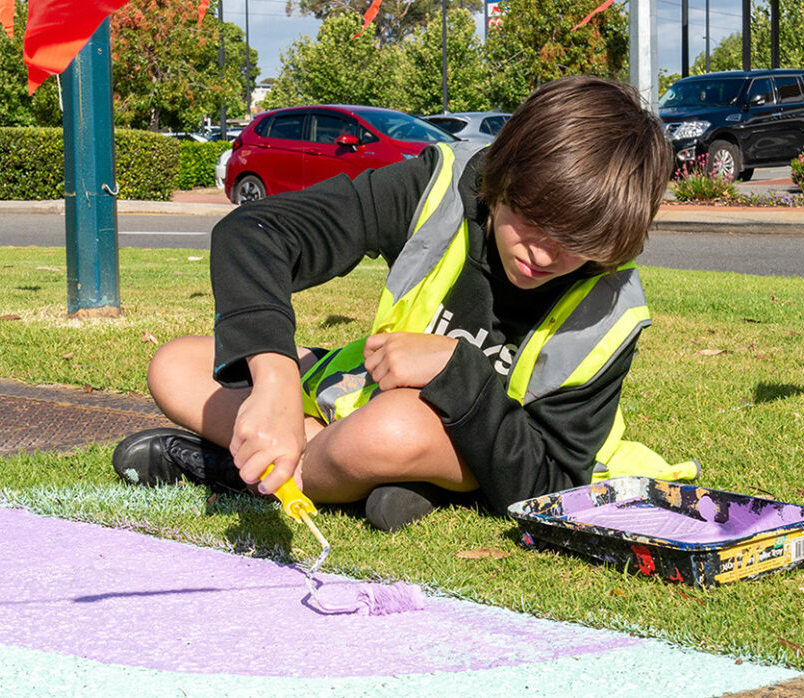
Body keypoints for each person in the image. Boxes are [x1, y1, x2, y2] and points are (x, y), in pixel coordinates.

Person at [113, 76, 697, 532]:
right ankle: (358, 475)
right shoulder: (437, 188)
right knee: (175, 366)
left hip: (471, 442)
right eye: (532, 220)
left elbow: (549, 484)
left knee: (391, 430)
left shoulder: (612, 310)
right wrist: (275, 385)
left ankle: (245, 471)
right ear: (503, 178)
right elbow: (255, 232)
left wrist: (455, 370)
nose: (541, 254)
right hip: (361, 398)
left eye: (574, 242)